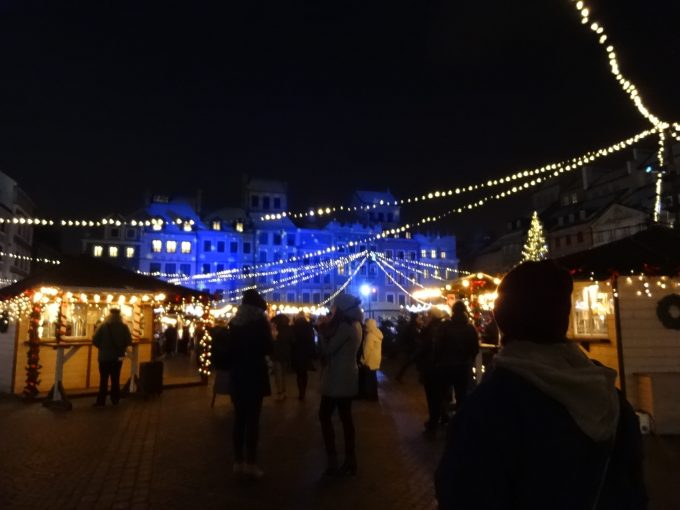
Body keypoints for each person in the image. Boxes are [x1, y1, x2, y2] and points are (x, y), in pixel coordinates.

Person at [435, 260, 647, 510]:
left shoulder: (491, 406)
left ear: (501, 318)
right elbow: (633, 490)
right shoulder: (608, 393)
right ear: (564, 316)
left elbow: (461, 493)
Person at [223, 289, 272, 480]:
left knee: (239, 420)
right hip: (255, 375)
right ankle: (251, 463)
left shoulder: (234, 324)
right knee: (253, 421)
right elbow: (268, 348)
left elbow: (229, 351)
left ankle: (238, 461)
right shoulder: (260, 323)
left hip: (238, 375)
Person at [317, 293, 363, 476]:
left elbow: (328, 350)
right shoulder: (356, 325)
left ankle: (333, 458)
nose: (333, 311)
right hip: (347, 375)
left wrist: (321, 332)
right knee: (345, 417)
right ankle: (350, 459)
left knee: (325, 416)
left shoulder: (345, 327)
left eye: (335, 308)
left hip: (338, 378)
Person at [434, 301, 479, 416]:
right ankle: (460, 419)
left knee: (443, 394)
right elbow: (475, 349)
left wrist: (438, 360)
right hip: (463, 366)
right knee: (462, 395)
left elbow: (438, 346)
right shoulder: (470, 329)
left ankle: (443, 417)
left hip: (446, 365)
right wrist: (469, 359)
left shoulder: (445, 326)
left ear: (453, 311)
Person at [92, 308, 132, 407]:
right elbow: (129, 341)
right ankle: (115, 399)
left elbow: (95, 340)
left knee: (103, 380)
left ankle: (101, 401)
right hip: (118, 357)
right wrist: (121, 347)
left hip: (104, 358)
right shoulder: (124, 327)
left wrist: (102, 347)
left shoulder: (103, 326)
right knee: (116, 379)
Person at [415, 307, 445, 432]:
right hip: (440, 366)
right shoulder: (442, 327)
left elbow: (424, 347)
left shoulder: (430, 329)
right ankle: (442, 417)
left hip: (430, 366)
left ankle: (433, 422)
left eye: (428, 314)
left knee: (432, 395)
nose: (425, 316)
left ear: (432, 316)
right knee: (439, 394)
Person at [291, 311, 316, 400]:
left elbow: (292, 340)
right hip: (306, 352)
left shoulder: (294, 327)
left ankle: (300, 392)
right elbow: (311, 339)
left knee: (299, 374)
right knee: (304, 373)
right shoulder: (308, 326)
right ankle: (303, 392)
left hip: (297, 352)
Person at [358, 318, 382, 401]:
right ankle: (374, 396)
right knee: (373, 378)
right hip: (375, 359)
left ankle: (370, 396)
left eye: (366, 325)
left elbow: (366, 350)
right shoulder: (377, 333)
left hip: (370, 360)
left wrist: (362, 360)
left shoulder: (370, 336)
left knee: (369, 379)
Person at [270, 314, 293, 401]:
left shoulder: (276, 329)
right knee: (283, 373)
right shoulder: (289, 329)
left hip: (277, 353)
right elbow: (292, 340)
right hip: (286, 353)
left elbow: (273, 341)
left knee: (278, 373)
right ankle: (283, 391)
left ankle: (280, 392)